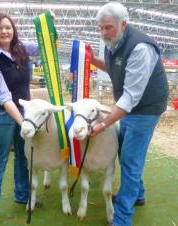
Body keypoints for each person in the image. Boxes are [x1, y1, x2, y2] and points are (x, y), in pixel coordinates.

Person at [88, 2, 169, 226]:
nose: (103, 33)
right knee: (125, 151)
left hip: (146, 108)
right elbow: (115, 67)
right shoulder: (111, 43)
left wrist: (103, 124)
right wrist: (94, 61)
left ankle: (122, 219)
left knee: (131, 161)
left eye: (108, 28)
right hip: (129, 106)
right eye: (101, 28)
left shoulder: (141, 48)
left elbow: (131, 97)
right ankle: (137, 195)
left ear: (123, 24)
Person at [0, 13, 38, 226]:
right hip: (3, 115)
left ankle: (22, 194)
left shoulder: (22, 49)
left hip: (24, 113)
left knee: (22, 157)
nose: (5, 31)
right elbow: (4, 97)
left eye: (9, 27)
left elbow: (45, 45)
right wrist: (23, 123)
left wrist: (50, 25)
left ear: (13, 30)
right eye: (0, 28)